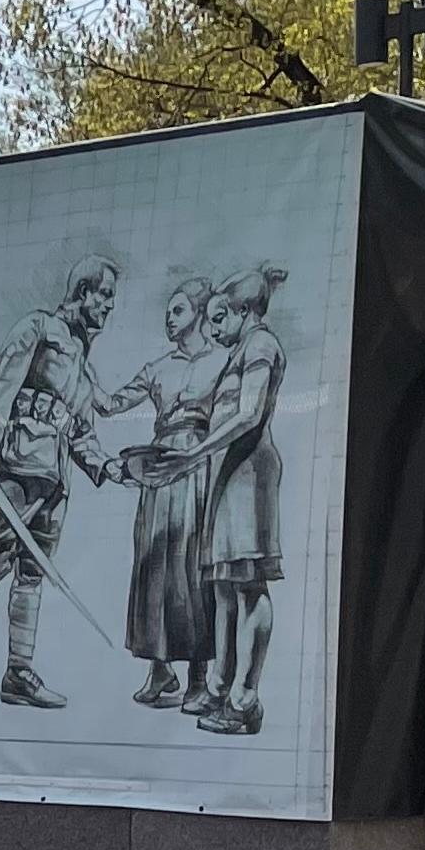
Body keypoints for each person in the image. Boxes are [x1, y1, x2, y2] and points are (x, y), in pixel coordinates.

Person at [0, 254, 121, 723]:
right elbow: (0, 389)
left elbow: (80, 430)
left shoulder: (83, 365)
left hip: (55, 485)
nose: (108, 307)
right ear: (82, 292)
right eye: (104, 296)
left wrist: (109, 467)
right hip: (15, 473)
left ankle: (17, 675)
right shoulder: (39, 329)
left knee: (31, 577)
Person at [96, 278, 221, 712]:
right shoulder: (158, 368)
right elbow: (109, 404)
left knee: (194, 568)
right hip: (160, 469)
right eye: (168, 311)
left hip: (201, 471)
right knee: (153, 566)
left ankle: (199, 679)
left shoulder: (222, 361)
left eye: (179, 310)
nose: (170, 318)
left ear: (201, 314)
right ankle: (160, 669)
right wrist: (78, 369)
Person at [190, 265, 290, 736]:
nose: (212, 329)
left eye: (218, 317)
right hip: (229, 474)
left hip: (250, 471)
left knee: (250, 585)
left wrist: (195, 452)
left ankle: (245, 699)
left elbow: (249, 414)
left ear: (245, 311)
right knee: (225, 587)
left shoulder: (262, 345)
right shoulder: (239, 354)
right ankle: (219, 686)